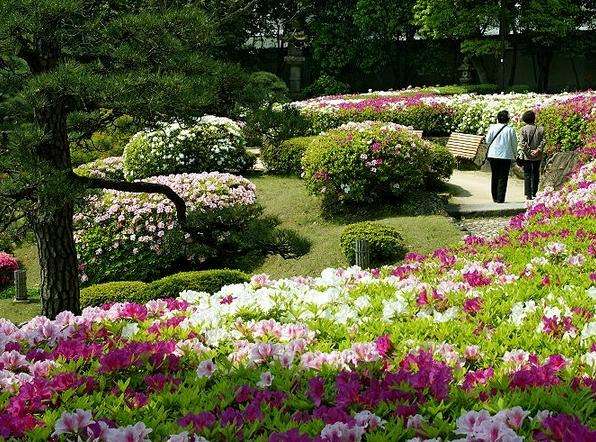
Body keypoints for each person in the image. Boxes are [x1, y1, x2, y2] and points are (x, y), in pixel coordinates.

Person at [485, 110, 517, 203]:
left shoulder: (492, 128)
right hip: (505, 156)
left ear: (497, 119)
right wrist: (515, 155)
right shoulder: (510, 130)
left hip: (493, 155)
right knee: (503, 177)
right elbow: (514, 144)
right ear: (508, 119)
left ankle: (494, 197)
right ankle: (500, 198)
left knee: (494, 176)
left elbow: (487, 141)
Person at [518, 110, 544, 200]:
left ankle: (528, 194)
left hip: (527, 156)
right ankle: (535, 192)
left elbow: (522, 143)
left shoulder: (523, 129)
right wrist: (537, 150)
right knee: (536, 173)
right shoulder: (541, 129)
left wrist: (529, 151)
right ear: (534, 118)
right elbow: (543, 141)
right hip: (538, 155)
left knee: (527, 174)